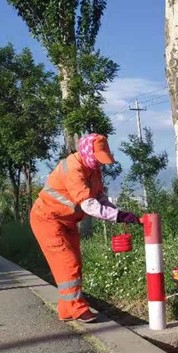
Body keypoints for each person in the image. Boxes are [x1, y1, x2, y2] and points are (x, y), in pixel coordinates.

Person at [30, 134, 141, 323]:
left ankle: (66, 309)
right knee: (67, 263)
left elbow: (99, 197)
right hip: (48, 220)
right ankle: (78, 309)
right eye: (98, 158)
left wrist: (119, 213)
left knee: (75, 265)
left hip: (68, 221)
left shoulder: (93, 169)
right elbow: (89, 205)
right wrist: (117, 216)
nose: (100, 163)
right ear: (87, 152)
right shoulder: (73, 168)